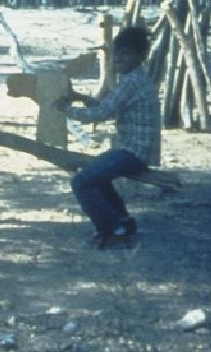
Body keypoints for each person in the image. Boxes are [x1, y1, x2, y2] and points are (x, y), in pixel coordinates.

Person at [54, 27, 161, 249]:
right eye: (117, 53)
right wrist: (80, 98)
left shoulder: (131, 82)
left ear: (140, 57)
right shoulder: (134, 79)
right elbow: (109, 108)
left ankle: (112, 230)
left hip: (133, 153)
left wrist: (65, 109)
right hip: (135, 150)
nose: (119, 59)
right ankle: (122, 221)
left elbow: (99, 114)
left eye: (127, 54)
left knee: (81, 182)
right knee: (96, 175)